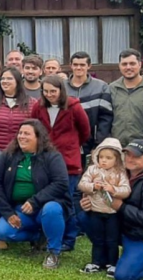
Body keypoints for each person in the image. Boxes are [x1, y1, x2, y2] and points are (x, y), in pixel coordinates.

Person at [78, 139, 143, 280]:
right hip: (121, 227)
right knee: (85, 217)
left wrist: (120, 206)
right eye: (128, 154)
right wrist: (87, 202)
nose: (130, 159)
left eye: (136, 156)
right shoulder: (118, 171)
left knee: (123, 275)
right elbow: (85, 186)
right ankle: (102, 259)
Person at [0, 119, 70, 269]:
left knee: (52, 209)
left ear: (38, 138)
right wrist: (8, 213)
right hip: (20, 210)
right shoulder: (8, 155)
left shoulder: (52, 156)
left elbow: (61, 183)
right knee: (2, 232)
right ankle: (39, 237)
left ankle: (53, 252)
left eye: (27, 133)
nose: (21, 136)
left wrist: (35, 201)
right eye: (20, 133)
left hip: (44, 208)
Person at [31, 74, 90, 252]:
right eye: (46, 91)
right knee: (44, 199)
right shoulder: (38, 107)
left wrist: (71, 145)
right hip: (43, 160)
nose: (49, 94)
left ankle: (69, 239)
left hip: (68, 162)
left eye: (53, 91)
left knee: (68, 201)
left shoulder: (74, 107)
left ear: (61, 90)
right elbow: (33, 128)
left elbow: (85, 131)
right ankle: (44, 235)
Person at [76, 138, 131, 276]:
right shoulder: (92, 170)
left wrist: (113, 189)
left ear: (117, 159)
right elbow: (81, 184)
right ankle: (96, 262)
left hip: (112, 213)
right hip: (95, 211)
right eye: (101, 157)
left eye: (108, 158)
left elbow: (126, 190)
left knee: (112, 240)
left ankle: (112, 263)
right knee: (97, 239)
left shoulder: (120, 173)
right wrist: (93, 186)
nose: (104, 161)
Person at [65, 51, 113, 165]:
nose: (78, 68)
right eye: (75, 65)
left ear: (89, 66)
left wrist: (98, 144)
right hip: (67, 144)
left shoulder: (101, 87)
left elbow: (105, 118)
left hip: (91, 144)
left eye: (82, 65)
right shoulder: (61, 87)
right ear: (70, 66)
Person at [110, 49, 143, 145]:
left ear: (140, 64)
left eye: (132, 63)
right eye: (124, 64)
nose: (128, 67)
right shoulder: (112, 89)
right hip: (117, 148)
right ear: (119, 66)